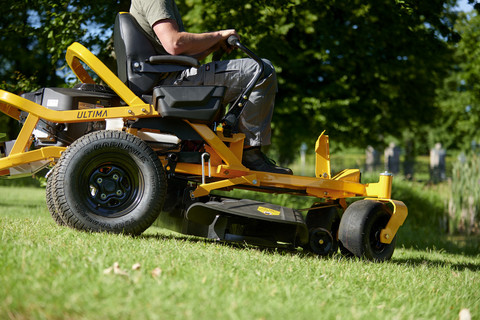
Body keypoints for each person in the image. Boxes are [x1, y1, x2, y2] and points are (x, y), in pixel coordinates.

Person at [130, 0, 292, 175]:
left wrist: (215, 44)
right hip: (171, 83)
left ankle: (235, 145)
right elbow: (174, 43)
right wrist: (219, 35)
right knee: (261, 70)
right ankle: (248, 152)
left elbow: (177, 54)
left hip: (168, 78)